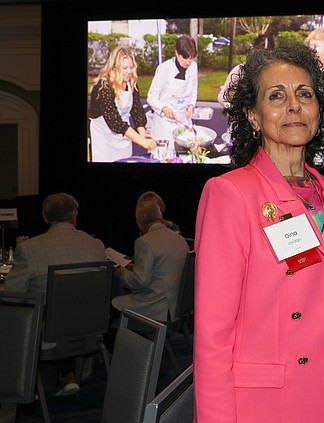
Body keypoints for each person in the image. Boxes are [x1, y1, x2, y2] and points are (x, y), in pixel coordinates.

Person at [187, 41, 324, 423]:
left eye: (305, 94)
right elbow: (212, 342)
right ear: (253, 117)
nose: (293, 105)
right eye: (276, 96)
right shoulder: (230, 194)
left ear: (320, 110)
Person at [2, 193, 107, 395]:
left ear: (44, 217)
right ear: (75, 215)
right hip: (90, 331)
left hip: (48, 337)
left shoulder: (29, 249)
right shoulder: (96, 245)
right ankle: (68, 374)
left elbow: (12, 295)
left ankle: (19, 385)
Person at [111, 201, 189, 322]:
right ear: (160, 217)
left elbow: (140, 282)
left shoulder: (144, 242)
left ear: (138, 222)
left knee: (112, 303)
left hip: (157, 308)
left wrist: (122, 273)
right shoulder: (180, 240)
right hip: (178, 309)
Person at [88, 46, 157, 162]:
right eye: (125, 68)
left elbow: (137, 110)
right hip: (104, 139)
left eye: (131, 67)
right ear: (114, 67)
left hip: (124, 137)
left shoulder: (131, 83)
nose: (129, 71)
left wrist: (142, 133)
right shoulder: (102, 88)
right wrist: (141, 141)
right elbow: (115, 122)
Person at [146, 36, 199, 149]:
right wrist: (164, 108)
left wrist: (191, 105)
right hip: (164, 124)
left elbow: (194, 90)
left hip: (183, 120)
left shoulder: (193, 67)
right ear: (177, 53)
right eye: (184, 58)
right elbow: (151, 97)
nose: (188, 62)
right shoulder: (164, 69)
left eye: (191, 58)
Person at [217, 34, 275, 107]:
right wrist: (230, 106)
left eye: (268, 50)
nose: (264, 55)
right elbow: (222, 95)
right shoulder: (240, 69)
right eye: (261, 50)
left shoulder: (275, 72)